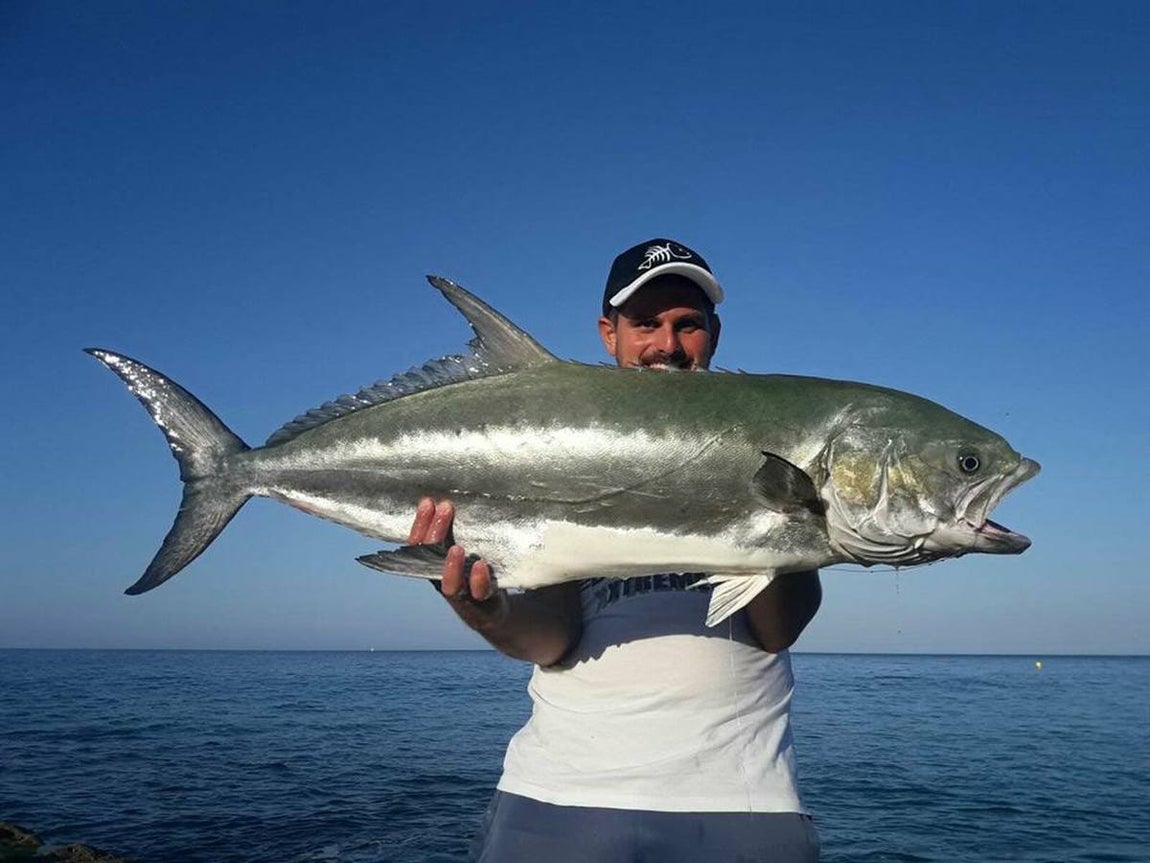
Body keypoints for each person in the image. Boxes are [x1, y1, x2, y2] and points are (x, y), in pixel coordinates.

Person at [407, 239, 823, 862]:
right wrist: (482, 608)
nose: (667, 346)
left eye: (688, 326)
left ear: (715, 334)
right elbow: (552, 639)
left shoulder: (765, 440)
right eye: (646, 324)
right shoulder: (560, 455)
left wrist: (794, 520)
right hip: (557, 796)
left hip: (740, 804)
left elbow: (776, 629)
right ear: (609, 334)